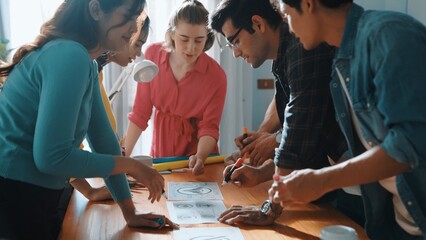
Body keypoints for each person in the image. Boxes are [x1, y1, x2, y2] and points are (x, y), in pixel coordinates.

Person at [0, 0, 178, 239]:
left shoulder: (86, 63)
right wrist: (133, 166)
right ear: (95, 10)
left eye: (137, 18)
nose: (134, 27)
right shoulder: (69, 55)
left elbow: (104, 141)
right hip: (16, 194)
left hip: (32, 193)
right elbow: (52, 158)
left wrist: (129, 212)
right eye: (128, 16)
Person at [270, 0, 426, 239]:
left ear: (308, 4)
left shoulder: (389, 35)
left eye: (288, 15)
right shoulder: (341, 63)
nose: (290, 29)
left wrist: (321, 181)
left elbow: (408, 145)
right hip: (398, 223)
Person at [210, 0, 364, 227]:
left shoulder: (302, 46)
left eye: (235, 41)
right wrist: (261, 172)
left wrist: (269, 208)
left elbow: (298, 136)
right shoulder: (285, 57)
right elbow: (304, 136)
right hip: (343, 174)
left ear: (258, 24)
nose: (235, 53)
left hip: (365, 177)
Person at [124, 0, 227, 176]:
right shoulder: (152, 56)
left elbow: (209, 127)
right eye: (184, 39)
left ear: (207, 38)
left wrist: (200, 157)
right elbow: (140, 113)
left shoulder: (216, 76)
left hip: (198, 157)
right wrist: (124, 158)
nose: (191, 48)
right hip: (162, 153)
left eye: (199, 40)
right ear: (171, 34)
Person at [70, 15, 152, 203]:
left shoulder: (94, 70)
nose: (139, 53)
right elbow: (66, 147)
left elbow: (105, 138)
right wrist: (89, 192)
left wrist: (121, 189)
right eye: (137, 43)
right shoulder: (79, 65)